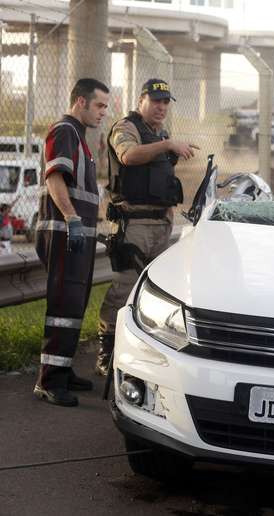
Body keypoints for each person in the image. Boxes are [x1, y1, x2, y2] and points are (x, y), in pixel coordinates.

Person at [95, 79, 197, 376]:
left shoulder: (160, 133)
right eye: (156, 101)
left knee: (152, 295)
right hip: (134, 224)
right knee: (123, 289)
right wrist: (167, 145)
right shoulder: (126, 128)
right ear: (142, 100)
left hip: (160, 225)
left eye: (166, 102)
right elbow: (128, 156)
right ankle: (107, 350)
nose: (161, 107)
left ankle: (139, 351)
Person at [33, 78, 110, 407]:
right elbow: (54, 177)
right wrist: (72, 219)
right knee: (63, 307)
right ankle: (49, 381)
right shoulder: (64, 131)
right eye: (99, 105)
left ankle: (62, 371)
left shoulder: (79, 137)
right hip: (66, 234)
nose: (103, 112)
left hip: (78, 237)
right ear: (81, 101)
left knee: (74, 305)